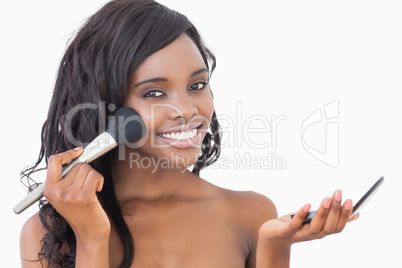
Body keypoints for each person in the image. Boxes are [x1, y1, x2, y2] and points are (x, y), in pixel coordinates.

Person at [19, 0, 358, 267]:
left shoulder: (249, 213)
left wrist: (274, 245)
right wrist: (92, 237)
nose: (187, 110)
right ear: (105, 105)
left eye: (197, 85)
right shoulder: (49, 234)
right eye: (154, 93)